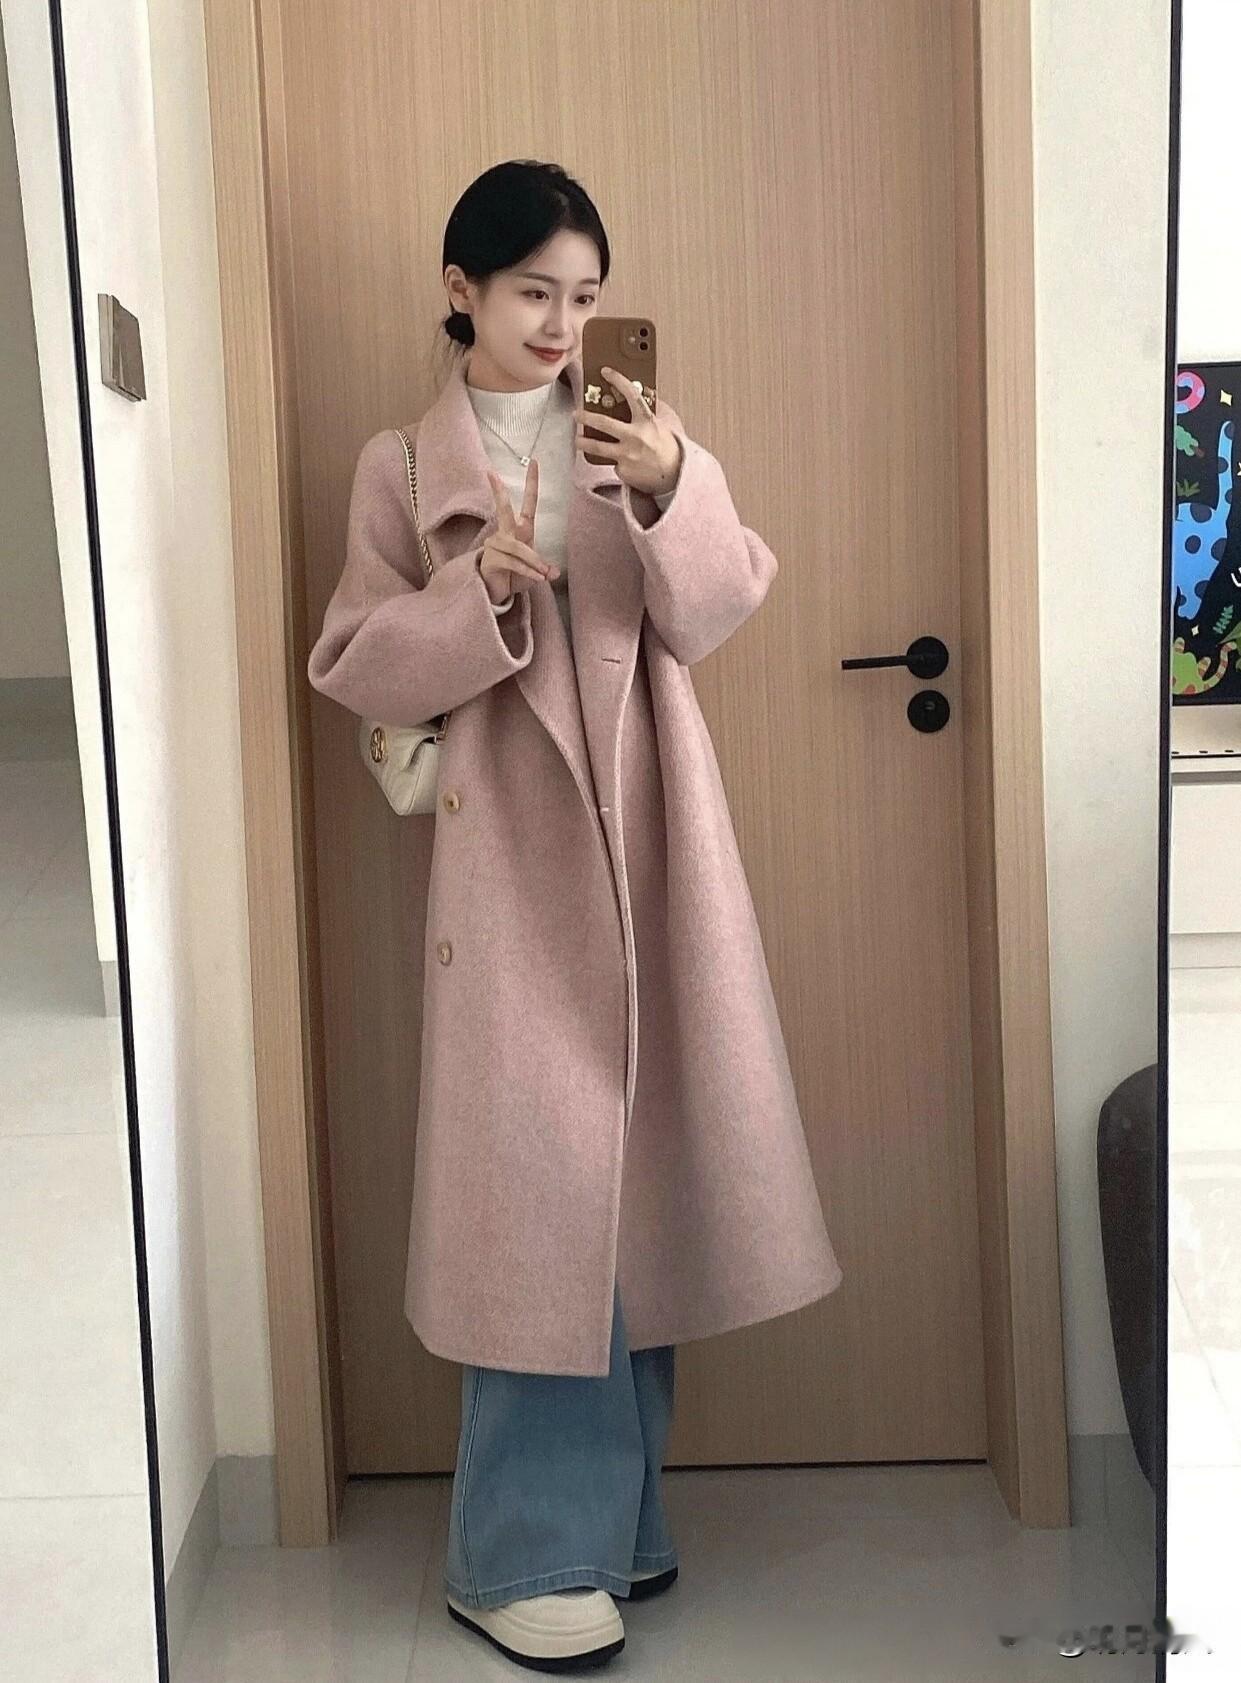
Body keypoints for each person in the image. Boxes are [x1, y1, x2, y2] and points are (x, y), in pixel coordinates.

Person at [307, 160, 843, 1672]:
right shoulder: (398, 469)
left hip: (653, 844)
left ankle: (614, 1526)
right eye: (533, 289)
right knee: (538, 1202)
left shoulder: (634, 430)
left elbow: (713, 611)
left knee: (636, 1191)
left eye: (585, 294)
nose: (561, 322)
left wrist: (672, 484)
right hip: (509, 869)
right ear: (462, 290)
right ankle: (516, 1554)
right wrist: (477, 592)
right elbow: (351, 660)